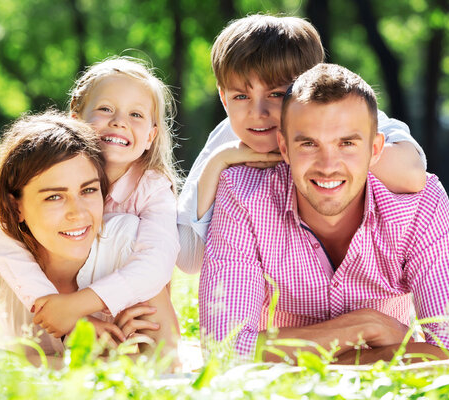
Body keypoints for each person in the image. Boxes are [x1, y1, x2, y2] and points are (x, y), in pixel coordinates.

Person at [199, 63, 449, 363]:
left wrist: (310, 358)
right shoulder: (243, 195)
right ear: (284, 147)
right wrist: (368, 327)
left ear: (375, 149)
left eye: (346, 144)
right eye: (309, 144)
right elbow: (223, 348)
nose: (328, 165)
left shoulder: (419, 205)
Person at [177, 14, 427, 274]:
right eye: (241, 96)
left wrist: (327, 148)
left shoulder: (349, 119)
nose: (257, 112)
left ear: (310, 88)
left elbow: (413, 175)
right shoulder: (228, 138)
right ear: (223, 98)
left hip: (363, 278)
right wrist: (218, 161)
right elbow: (188, 258)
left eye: (275, 94)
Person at [0, 112, 179, 367]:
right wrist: (99, 363)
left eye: (88, 190)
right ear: (16, 205)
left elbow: (167, 365)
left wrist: (23, 362)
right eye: (54, 196)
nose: (78, 213)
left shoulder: (129, 244)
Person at [0, 58, 181, 342]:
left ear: (151, 136)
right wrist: (57, 307)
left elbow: (156, 262)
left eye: (136, 115)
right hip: (53, 314)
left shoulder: (152, 189)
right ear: (76, 120)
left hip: (129, 311)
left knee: (128, 234)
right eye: (105, 109)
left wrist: (80, 306)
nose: (119, 121)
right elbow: (4, 232)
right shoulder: (51, 171)